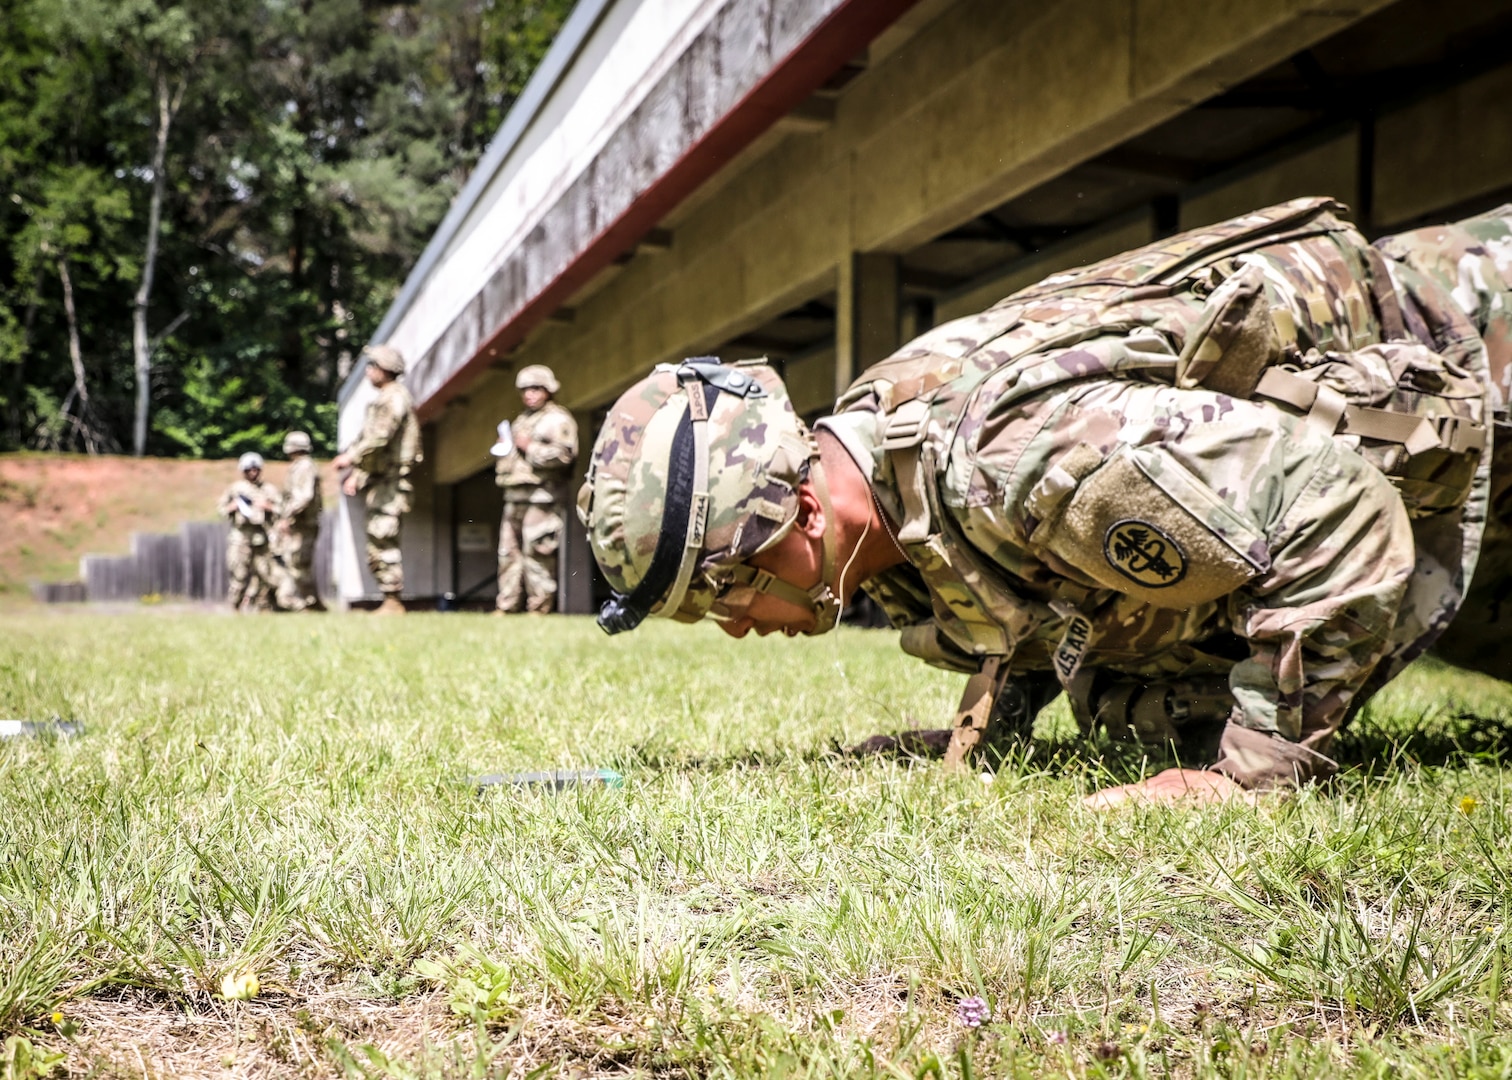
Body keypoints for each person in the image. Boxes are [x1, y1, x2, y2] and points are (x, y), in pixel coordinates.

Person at [578, 197, 1512, 806]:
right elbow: (1032, 588)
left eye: (725, 590)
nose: (737, 625)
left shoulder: (1017, 462)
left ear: (804, 514)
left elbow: (1336, 507)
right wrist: (983, 734)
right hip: (1452, 467)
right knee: (1134, 703)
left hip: (1480, 353)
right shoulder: (879, 461)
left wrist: (1249, 776)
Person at [331, 343, 422, 615]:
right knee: (378, 537)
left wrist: (350, 457)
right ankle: (390, 599)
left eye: (373, 366)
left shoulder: (394, 398)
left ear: (386, 370)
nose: (368, 371)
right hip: (381, 480)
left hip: (392, 482)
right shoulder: (384, 398)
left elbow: (380, 437)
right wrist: (358, 475)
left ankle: (393, 601)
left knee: (383, 535)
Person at [493, 365, 578, 613]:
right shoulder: (522, 420)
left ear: (548, 390)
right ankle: (506, 606)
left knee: (538, 553)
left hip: (542, 496)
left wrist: (529, 447)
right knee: (508, 554)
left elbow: (564, 455)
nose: (529, 394)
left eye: (535, 388)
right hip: (514, 494)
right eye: (525, 390)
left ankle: (539, 608)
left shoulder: (558, 419)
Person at [217, 452, 281, 611]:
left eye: (255, 469)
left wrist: (269, 507)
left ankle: (263, 607)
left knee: (265, 574)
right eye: (248, 470)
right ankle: (234, 606)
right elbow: (221, 509)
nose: (253, 472)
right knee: (239, 573)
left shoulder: (269, 489)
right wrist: (232, 507)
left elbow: (282, 509)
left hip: (262, 536)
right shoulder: (235, 488)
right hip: (241, 537)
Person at [273, 430, 325, 612]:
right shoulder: (300, 466)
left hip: (304, 525)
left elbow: (304, 496)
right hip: (301, 525)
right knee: (298, 564)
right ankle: (313, 604)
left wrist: (287, 517)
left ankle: (310, 604)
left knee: (299, 565)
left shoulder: (304, 467)